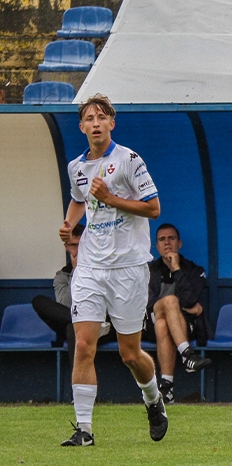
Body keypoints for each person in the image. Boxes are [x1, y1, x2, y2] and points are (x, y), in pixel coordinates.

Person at [57, 93, 166, 446]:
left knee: (129, 354)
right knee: (84, 345)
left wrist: (111, 199)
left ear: (111, 123)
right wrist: (69, 225)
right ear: (82, 127)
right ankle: (84, 430)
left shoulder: (129, 160)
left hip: (129, 267)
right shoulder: (77, 167)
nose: (96, 123)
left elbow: (153, 209)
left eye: (102, 117)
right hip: (90, 266)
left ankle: (153, 399)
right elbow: (78, 199)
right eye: (89, 118)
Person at [144, 223, 211, 404]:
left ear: (179, 243)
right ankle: (188, 355)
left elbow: (190, 300)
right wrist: (176, 306)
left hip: (185, 325)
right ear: (156, 246)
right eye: (162, 239)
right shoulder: (147, 271)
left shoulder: (195, 270)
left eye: (171, 238)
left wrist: (176, 270)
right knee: (170, 302)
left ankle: (166, 388)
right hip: (151, 320)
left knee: (163, 324)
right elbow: (147, 304)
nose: (167, 243)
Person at [32, 224, 115, 362]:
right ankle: (77, 382)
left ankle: (77, 383)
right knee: (38, 301)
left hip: (103, 326)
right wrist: (77, 273)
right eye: (73, 245)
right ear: (66, 247)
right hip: (74, 319)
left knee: (73, 330)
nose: (78, 250)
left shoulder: (104, 270)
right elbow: (64, 306)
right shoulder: (62, 276)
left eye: (82, 245)